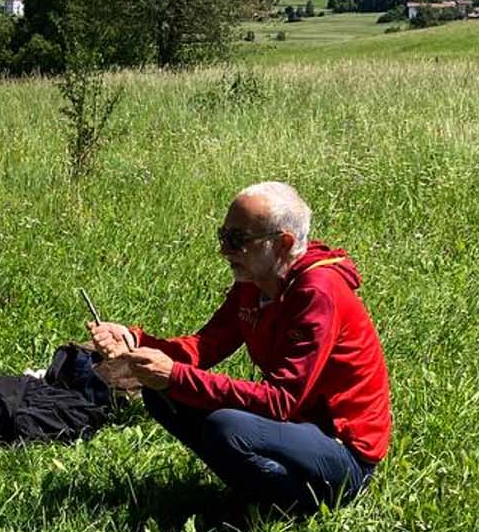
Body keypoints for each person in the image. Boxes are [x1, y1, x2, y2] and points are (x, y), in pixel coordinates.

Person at [88, 182, 390, 512]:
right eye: (223, 237)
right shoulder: (253, 283)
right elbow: (206, 345)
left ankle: (303, 503)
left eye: (237, 240)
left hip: (343, 450)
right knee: (159, 391)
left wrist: (174, 375)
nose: (224, 251)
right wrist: (135, 342)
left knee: (227, 427)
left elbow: (281, 401)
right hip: (297, 428)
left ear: (283, 244)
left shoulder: (317, 292)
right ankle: (259, 489)